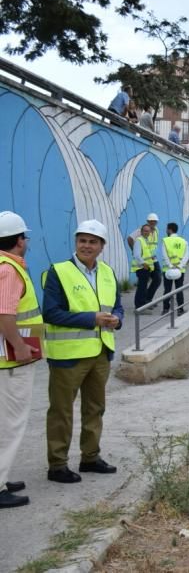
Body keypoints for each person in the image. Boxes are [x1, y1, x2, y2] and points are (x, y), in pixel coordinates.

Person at [43, 219, 123, 483]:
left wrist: (117, 320)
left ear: (102, 246)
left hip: (101, 352)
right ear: (76, 242)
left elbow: (118, 306)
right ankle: (57, 465)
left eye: (92, 242)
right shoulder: (59, 271)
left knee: (95, 408)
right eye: (82, 240)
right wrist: (92, 319)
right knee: (61, 411)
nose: (86, 246)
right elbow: (52, 313)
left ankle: (90, 457)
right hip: (68, 356)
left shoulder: (108, 273)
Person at [0, 212, 41, 509]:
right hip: (10, 362)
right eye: (24, 237)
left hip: (8, 361)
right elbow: (5, 314)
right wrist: (20, 346)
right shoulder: (9, 270)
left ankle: (2, 477)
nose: (26, 241)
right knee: (10, 425)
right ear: (18, 240)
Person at [128, 213, 161, 305]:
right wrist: (134, 251)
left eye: (154, 221)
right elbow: (130, 239)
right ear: (147, 221)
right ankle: (142, 303)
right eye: (151, 221)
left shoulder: (156, 230)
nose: (153, 223)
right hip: (144, 262)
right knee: (143, 283)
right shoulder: (142, 231)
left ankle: (147, 299)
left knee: (157, 279)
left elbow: (154, 245)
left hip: (152, 260)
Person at [160, 222, 189, 316]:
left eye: (166, 229)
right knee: (179, 289)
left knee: (167, 290)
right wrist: (179, 266)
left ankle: (165, 309)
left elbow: (164, 255)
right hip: (180, 270)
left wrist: (170, 266)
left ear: (169, 230)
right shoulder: (183, 241)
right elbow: (186, 256)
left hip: (167, 270)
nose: (166, 231)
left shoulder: (165, 240)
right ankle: (180, 309)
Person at [130, 224, 156, 312]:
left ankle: (142, 305)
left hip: (145, 268)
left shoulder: (145, 240)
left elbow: (144, 254)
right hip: (141, 268)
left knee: (143, 287)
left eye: (148, 231)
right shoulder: (139, 240)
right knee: (141, 288)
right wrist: (144, 264)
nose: (147, 232)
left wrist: (150, 259)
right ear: (141, 232)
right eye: (145, 231)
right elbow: (136, 255)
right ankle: (139, 307)